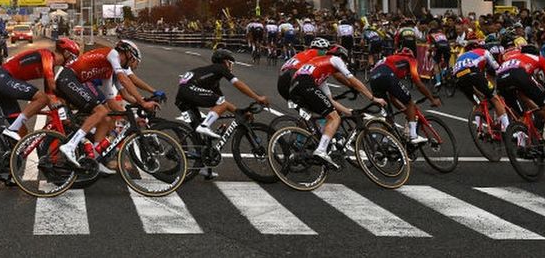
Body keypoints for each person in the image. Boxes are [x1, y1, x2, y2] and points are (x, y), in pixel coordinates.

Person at [289, 38, 385, 167]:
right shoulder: (335, 59)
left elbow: (329, 100)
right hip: (304, 84)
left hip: (295, 86)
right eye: (345, 61)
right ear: (342, 56)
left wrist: (348, 112)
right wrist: (373, 98)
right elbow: (353, 81)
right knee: (334, 118)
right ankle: (321, 150)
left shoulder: (320, 71)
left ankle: (307, 144)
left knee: (327, 113)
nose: (343, 64)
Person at [495, 44, 545, 153]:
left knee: (521, 114)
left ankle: (522, 145)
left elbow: (522, 95)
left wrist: (536, 109)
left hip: (500, 80)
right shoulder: (539, 59)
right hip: (518, 75)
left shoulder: (513, 58)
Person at [0, 37, 80, 139]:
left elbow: (51, 94)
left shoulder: (50, 67)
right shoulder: (47, 55)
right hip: (3, 78)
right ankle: (12, 129)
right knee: (42, 98)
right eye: (72, 57)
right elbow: (51, 84)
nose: (72, 61)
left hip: (5, 84)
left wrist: (61, 114)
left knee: (22, 133)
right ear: (66, 53)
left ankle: (11, 152)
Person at [179, 48, 270, 140]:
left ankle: (197, 151)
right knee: (205, 123)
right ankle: (204, 126)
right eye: (230, 63)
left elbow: (224, 103)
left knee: (198, 133)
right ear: (224, 61)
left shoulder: (212, 79)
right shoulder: (220, 67)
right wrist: (257, 98)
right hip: (189, 89)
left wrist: (239, 112)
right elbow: (237, 84)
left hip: (182, 97)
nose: (230, 66)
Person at [366, 47, 439, 145]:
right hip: (387, 75)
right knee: (409, 102)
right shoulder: (410, 59)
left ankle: (384, 144)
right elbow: (418, 83)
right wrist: (432, 99)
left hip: (373, 79)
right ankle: (413, 135)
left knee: (389, 115)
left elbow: (393, 97)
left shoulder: (391, 58)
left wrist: (406, 111)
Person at [451, 40, 510, 132]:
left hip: (458, 78)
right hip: (473, 73)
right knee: (495, 98)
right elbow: (497, 68)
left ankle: (479, 129)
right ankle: (508, 128)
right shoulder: (484, 52)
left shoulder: (460, 57)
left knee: (477, 103)